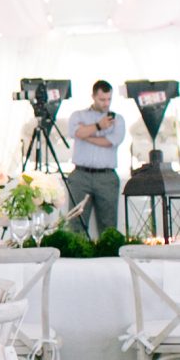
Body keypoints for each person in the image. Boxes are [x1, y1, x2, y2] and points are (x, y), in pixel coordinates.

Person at [63, 80, 124, 240]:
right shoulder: (78, 115)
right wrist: (98, 127)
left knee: (108, 224)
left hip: (106, 176)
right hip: (81, 174)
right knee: (76, 222)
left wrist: (86, 135)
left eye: (109, 99)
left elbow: (109, 142)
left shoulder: (117, 119)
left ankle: (108, 254)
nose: (106, 103)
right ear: (93, 97)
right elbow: (75, 133)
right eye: (102, 99)